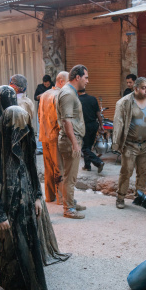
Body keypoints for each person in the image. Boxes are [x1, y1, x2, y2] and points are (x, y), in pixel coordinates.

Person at [0, 94, 48, 290]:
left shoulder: (26, 142)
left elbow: (32, 170)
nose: (21, 132)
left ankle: (32, 284)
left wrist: (38, 197)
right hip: (6, 207)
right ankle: (15, 287)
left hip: (27, 203)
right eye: (18, 128)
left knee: (29, 245)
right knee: (11, 248)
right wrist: (0, 215)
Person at [113, 77, 146, 209]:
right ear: (136, 88)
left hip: (145, 144)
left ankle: (139, 197)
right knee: (126, 172)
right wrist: (117, 143)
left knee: (142, 173)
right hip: (130, 144)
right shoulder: (125, 102)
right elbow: (118, 124)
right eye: (143, 88)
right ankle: (120, 197)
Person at [57, 65, 88, 219]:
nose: (87, 81)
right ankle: (68, 208)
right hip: (70, 141)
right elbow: (66, 121)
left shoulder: (70, 92)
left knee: (69, 175)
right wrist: (75, 143)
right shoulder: (68, 94)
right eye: (86, 77)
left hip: (71, 139)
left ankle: (70, 202)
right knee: (70, 177)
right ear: (78, 78)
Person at [38, 71, 68, 203]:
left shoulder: (44, 95)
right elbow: (61, 120)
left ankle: (50, 196)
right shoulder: (59, 95)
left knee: (48, 168)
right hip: (55, 137)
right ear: (61, 81)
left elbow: (39, 116)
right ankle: (62, 198)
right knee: (59, 167)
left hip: (44, 135)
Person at [10, 74, 40, 154]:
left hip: (17, 138)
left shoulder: (14, 102)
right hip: (27, 136)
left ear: (14, 86)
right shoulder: (28, 101)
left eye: (10, 84)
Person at [79, 89, 104, 172]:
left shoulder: (77, 99)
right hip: (94, 125)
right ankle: (87, 166)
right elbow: (98, 114)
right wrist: (101, 125)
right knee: (88, 147)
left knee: (84, 149)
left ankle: (98, 162)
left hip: (84, 126)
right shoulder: (93, 98)